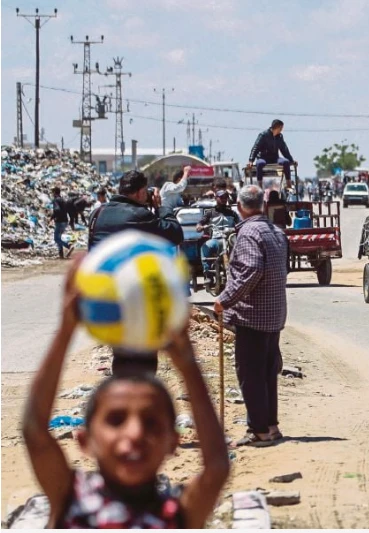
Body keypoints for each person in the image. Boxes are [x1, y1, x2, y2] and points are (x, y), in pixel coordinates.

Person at [22, 257, 230, 528]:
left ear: (173, 442)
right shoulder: (71, 498)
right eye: (116, 419)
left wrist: (189, 365)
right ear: (84, 440)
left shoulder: (176, 511)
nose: (135, 433)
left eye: (151, 422)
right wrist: (66, 330)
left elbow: (216, 469)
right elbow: (35, 432)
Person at [89, 170, 184, 377]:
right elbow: (175, 234)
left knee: (121, 353)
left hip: (106, 297)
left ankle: (122, 393)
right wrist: (162, 207)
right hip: (136, 296)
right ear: (141, 192)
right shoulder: (141, 215)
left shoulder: (99, 214)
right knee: (144, 358)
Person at [214, 185, 289, 447]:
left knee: (250, 372)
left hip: (253, 316)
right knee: (267, 372)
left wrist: (224, 300)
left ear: (239, 206)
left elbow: (252, 270)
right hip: (274, 313)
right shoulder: (276, 232)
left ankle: (259, 430)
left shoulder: (247, 233)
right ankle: (271, 426)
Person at [197, 190, 240, 291]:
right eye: (221, 197)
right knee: (204, 247)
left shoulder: (232, 213)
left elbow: (239, 224)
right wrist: (200, 227)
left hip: (230, 240)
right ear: (216, 198)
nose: (224, 199)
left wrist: (237, 228)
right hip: (216, 240)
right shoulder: (210, 213)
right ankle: (208, 275)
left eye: (225, 197)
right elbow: (200, 223)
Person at [247, 119, 296, 188]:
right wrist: (251, 160)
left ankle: (288, 184)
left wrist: (291, 161)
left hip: (275, 158)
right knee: (260, 164)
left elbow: (284, 150)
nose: (281, 130)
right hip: (263, 157)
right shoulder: (263, 135)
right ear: (277, 127)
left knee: (286, 162)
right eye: (281, 128)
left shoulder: (280, 137)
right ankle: (260, 186)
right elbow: (255, 147)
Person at [51, 187, 73, 259]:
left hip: (59, 221)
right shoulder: (63, 200)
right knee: (59, 238)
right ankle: (61, 254)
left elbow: (57, 210)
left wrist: (52, 217)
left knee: (56, 239)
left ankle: (69, 246)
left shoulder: (56, 200)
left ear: (54, 192)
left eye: (52, 192)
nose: (52, 194)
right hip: (65, 221)